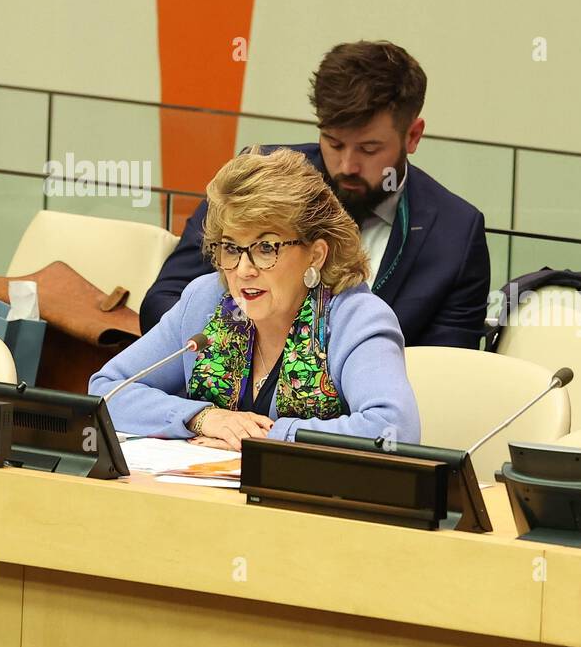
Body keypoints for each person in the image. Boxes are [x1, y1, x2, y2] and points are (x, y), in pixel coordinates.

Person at [140, 40, 491, 349]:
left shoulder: (456, 235)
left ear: (413, 136)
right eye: (334, 144)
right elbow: (161, 302)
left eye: (369, 148)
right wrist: (249, 351)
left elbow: (444, 373)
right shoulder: (257, 176)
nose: (347, 166)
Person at [92, 147, 420, 450]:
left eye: (266, 248)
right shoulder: (206, 301)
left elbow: (394, 430)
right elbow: (106, 389)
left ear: (316, 254)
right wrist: (203, 418)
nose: (244, 269)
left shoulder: (355, 318)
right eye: (232, 248)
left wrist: (267, 438)